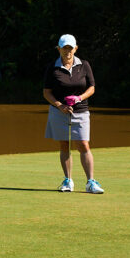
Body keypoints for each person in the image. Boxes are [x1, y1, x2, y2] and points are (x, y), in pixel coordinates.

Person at [42, 34, 104, 194]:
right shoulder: (52, 67)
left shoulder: (84, 65)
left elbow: (92, 87)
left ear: (75, 48)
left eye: (70, 48)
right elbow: (46, 93)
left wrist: (79, 97)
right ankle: (68, 180)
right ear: (59, 49)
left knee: (83, 144)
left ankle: (91, 182)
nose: (67, 51)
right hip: (59, 111)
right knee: (64, 144)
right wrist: (59, 105)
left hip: (81, 110)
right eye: (64, 48)